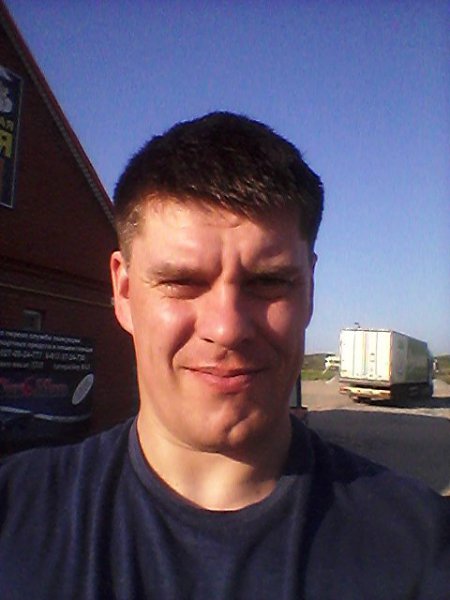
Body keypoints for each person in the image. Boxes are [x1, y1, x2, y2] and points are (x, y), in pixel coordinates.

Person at [0, 112, 448, 599]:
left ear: (310, 290)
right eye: (181, 282)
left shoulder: (420, 546)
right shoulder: (15, 516)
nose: (227, 328)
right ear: (124, 293)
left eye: (268, 282)